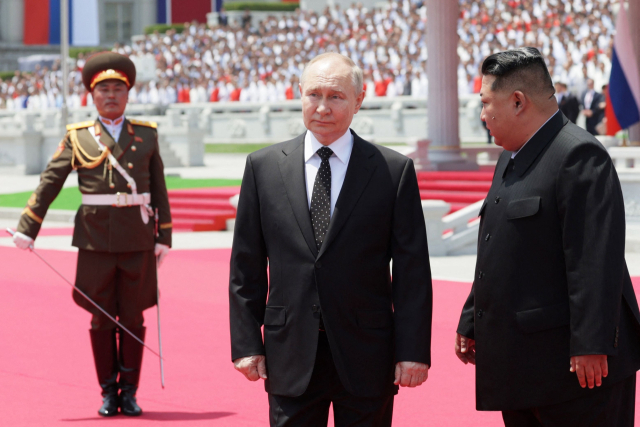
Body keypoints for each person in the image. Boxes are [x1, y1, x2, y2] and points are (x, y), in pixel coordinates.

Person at [229, 52, 432, 427]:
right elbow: (247, 265)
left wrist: (413, 350)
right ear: (299, 94)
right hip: (289, 351)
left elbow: (412, 271)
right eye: (313, 95)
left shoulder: (392, 171)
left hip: (367, 352)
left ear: (359, 100)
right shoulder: (263, 168)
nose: (322, 107)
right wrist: (245, 343)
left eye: (336, 96)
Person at [455, 47, 640, 426]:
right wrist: (473, 318)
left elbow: (594, 258)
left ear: (518, 101)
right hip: (521, 363)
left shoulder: (579, 155)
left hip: (578, 369)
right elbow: (497, 245)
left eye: (487, 103)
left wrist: (592, 344)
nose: (483, 115)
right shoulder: (510, 156)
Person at [12, 52, 173, 417]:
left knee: (133, 317)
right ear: (92, 96)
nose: (111, 95)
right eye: (104, 90)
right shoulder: (79, 137)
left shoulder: (146, 136)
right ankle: (107, 393)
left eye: (118, 89)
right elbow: (50, 181)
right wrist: (28, 226)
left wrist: (164, 235)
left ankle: (129, 392)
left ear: (128, 95)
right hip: (95, 241)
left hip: (138, 239)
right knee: (101, 317)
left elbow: (159, 188)